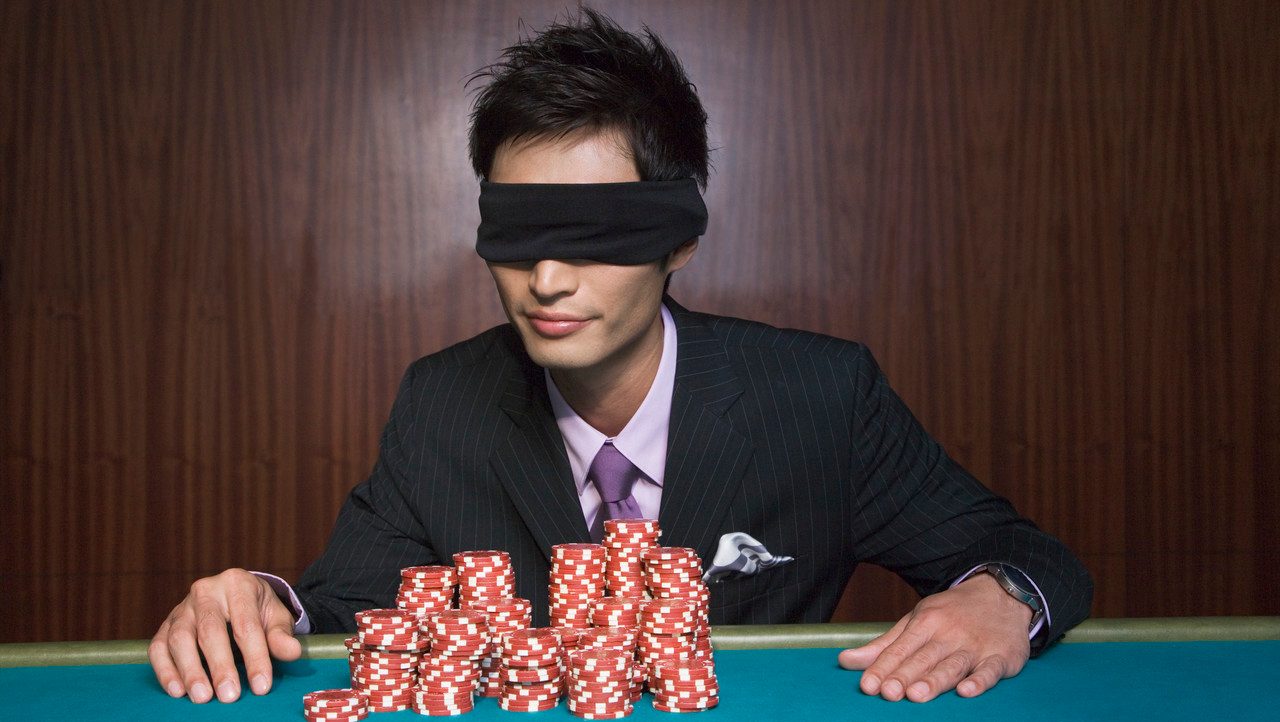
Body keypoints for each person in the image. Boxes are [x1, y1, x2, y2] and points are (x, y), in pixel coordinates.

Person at [149, 7, 1092, 707]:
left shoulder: (820, 395)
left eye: (594, 234)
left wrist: (1002, 596)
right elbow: (344, 605)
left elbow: (1028, 556)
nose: (546, 278)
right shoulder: (445, 403)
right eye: (519, 236)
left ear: (679, 238)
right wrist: (254, 600)